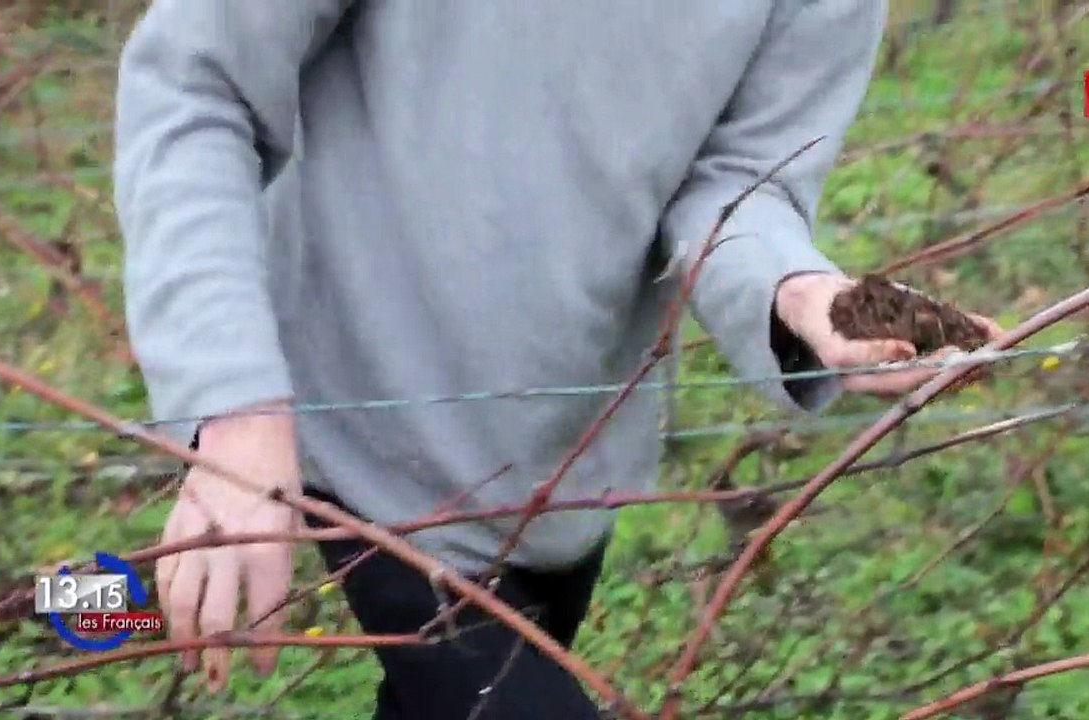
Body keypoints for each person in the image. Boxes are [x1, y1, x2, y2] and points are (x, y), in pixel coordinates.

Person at [113, 1, 1001, 717]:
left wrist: (802, 295)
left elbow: (736, 186)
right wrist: (236, 414)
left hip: (564, 457)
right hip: (342, 425)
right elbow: (196, 88)